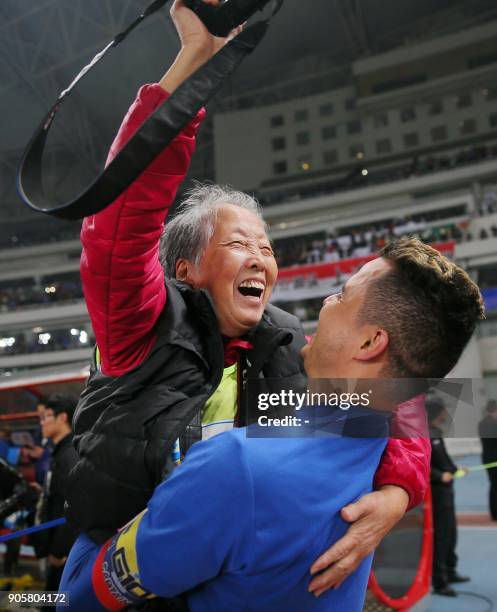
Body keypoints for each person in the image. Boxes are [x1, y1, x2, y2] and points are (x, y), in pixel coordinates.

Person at [65, 0, 431, 596]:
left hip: (224, 559)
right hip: (120, 561)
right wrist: (192, 67)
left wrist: (398, 492)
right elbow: (119, 218)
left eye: (266, 246)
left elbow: (400, 401)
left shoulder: (292, 343)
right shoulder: (138, 322)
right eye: (239, 243)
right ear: (186, 268)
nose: (262, 257)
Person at [61, 238, 484, 611]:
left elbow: (78, 598)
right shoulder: (377, 450)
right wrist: (400, 490)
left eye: (341, 294)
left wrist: (107, 489)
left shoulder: (234, 465)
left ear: (371, 343)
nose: (325, 303)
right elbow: (405, 390)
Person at [36, 394, 80, 598]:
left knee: (57, 601)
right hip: (58, 544)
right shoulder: (60, 451)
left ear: (62, 418)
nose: (42, 422)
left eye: (46, 417)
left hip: (64, 552)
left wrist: (59, 550)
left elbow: (73, 506)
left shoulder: (69, 454)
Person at [427, 396, 471, 597]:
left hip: (447, 491)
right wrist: (438, 475)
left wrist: (455, 469)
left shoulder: (436, 433)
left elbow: (443, 459)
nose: (446, 413)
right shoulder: (424, 434)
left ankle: (451, 571)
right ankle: (440, 581)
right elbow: (423, 466)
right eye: (443, 410)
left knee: (451, 532)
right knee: (442, 536)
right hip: (436, 493)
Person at [478, 399, 497, 520]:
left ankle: (494, 512)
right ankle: (495, 512)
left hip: (488, 457)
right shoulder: (490, 424)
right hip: (493, 458)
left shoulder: (483, 423)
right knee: (495, 485)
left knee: (494, 484)